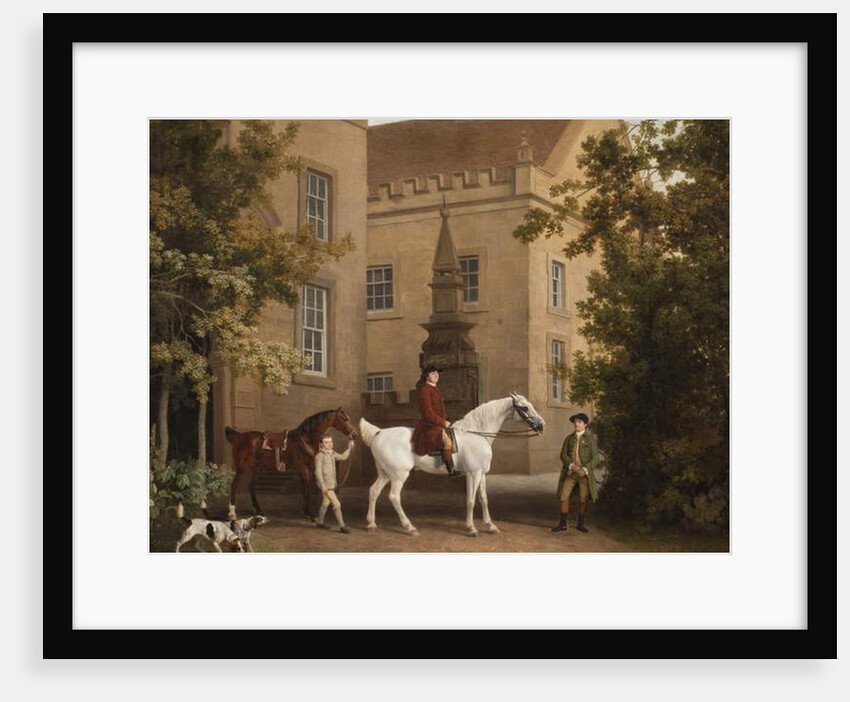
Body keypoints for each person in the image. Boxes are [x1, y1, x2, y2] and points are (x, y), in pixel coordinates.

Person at [552, 413, 599, 533]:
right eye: (575, 422)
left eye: (579, 422)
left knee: (583, 498)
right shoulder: (569, 438)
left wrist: (585, 469)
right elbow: (563, 455)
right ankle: (563, 524)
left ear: (585, 425)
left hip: (584, 475)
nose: (576, 424)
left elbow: (595, 458)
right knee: (563, 496)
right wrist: (572, 466)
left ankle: (581, 524)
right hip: (571, 473)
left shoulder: (590, 439)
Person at [411, 365, 459, 477]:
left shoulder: (434, 388)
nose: (436, 375)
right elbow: (428, 413)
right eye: (433, 374)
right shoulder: (425, 390)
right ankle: (451, 470)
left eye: (437, 373)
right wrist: (442, 422)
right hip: (429, 426)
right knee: (447, 442)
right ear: (426, 377)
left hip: (436, 424)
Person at [314, 433, 355, 533]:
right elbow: (318, 472)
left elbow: (343, 457)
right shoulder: (320, 456)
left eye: (331, 442)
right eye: (326, 442)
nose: (329, 444)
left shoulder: (332, 453)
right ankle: (342, 526)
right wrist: (323, 485)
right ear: (321, 445)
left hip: (331, 485)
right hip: (325, 485)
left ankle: (319, 522)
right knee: (337, 504)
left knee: (325, 503)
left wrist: (349, 448)